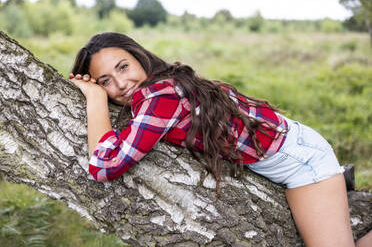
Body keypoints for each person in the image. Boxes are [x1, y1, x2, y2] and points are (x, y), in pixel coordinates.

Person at [69, 32, 372, 247]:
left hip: (301, 162)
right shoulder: (156, 92)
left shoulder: (160, 95)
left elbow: (105, 166)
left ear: (139, 57)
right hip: (291, 144)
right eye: (105, 81)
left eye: (123, 66)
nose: (121, 84)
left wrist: (95, 99)